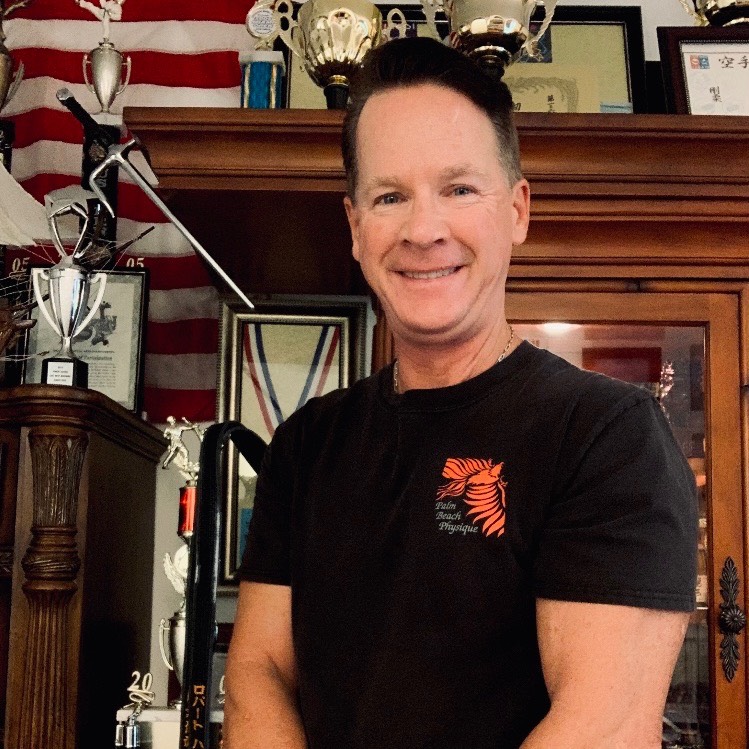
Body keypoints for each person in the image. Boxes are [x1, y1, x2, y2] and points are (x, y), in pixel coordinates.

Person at [223, 36, 697, 748]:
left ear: (517, 210)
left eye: (459, 189)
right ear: (355, 227)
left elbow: (602, 725)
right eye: (390, 196)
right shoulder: (306, 445)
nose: (423, 230)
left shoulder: (607, 435)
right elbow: (257, 672)